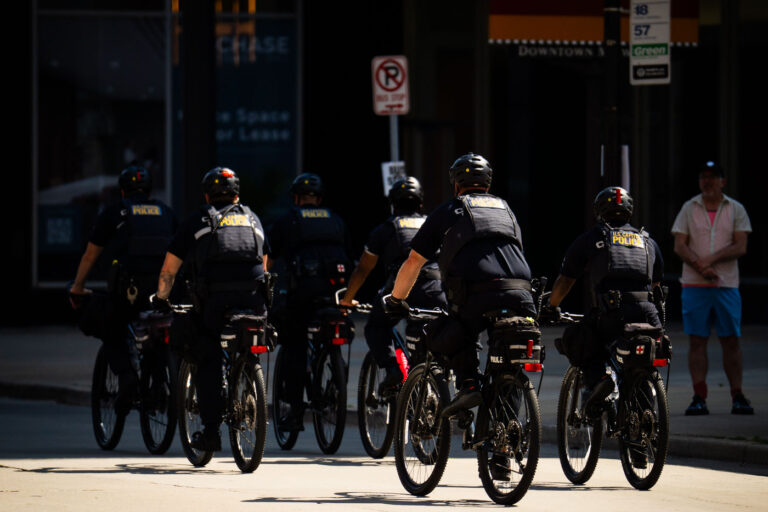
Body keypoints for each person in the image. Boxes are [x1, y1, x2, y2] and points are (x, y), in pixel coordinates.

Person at [384, 153, 536, 480]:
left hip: (476, 292)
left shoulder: (451, 209)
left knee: (454, 332)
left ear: (456, 184)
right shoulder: (506, 209)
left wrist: (397, 299)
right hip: (522, 292)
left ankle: (468, 384)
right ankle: (502, 453)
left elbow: (414, 260)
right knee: (507, 363)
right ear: (488, 184)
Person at [151, 167, 270, 451]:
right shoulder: (253, 218)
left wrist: (161, 297)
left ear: (207, 195)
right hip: (255, 300)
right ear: (237, 194)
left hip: (215, 301)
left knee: (205, 351)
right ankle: (246, 379)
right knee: (245, 339)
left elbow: (170, 268)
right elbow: (265, 263)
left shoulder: (198, 219)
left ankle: (211, 431)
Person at [69, 166, 177, 417]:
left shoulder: (115, 212)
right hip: (164, 290)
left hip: (128, 291)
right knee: (160, 329)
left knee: (112, 327)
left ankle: (127, 378)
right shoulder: (166, 212)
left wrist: (77, 287)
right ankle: (160, 381)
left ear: (122, 191)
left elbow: (90, 256)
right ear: (150, 190)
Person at [340, 177, 447, 394]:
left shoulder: (386, 229)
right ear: (420, 203)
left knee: (376, 326)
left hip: (403, 287)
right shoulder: (433, 225)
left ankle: (393, 369)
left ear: (393, 204)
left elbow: (363, 269)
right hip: (437, 288)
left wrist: (347, 299)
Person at [266, 173, 353, 432]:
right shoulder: (336, 221)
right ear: (320, 199)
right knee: (333, 334)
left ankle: (293, 411)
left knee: (294, 344)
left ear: (296, 197)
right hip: (336, 293)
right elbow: (351, 255)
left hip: (302, 295)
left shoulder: (288, 221)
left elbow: (268, 258)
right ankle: (334, 387)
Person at [671, 161, 753, 415]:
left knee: (731, 341)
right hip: (694, 284)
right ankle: (699, 395)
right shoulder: (689, 207)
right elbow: (679, 244)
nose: (707, 182)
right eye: (703, 177)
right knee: (697, 341)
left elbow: (741, 246)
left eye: (713, 177)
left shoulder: (735, 208)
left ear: (722, 181)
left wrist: (711, 260)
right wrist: (700, 265)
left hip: (726, 284)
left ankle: (737, 394)